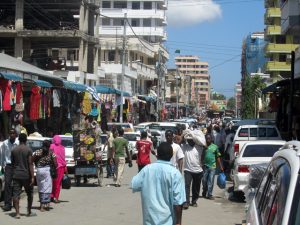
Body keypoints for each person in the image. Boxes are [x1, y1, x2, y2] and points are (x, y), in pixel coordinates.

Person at [131, 142, 186, 225]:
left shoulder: (147, 170)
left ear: (157, 154)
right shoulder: (175, 174)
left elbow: (134, 184)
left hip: (149, 221)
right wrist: (178, 222)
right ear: (171, 156)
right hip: (168, 221)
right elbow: (178, 202)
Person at [11, 133, 34, 218]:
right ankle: (29, 211)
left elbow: (12, 164)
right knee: (30, 193)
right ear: (26, 140)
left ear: (19, 139)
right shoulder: (28, 150)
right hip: (26, 175)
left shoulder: (14, 150)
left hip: (16, 175)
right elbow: (30, 164)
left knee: (16, 194)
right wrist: (32, 177)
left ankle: (17, 213)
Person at [33, 140, 57, 211]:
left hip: (39, 170)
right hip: (47, 171)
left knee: (40, 187)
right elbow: (55, 163)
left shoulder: (38, 152)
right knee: (47, 188)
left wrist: (37, 163)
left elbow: (31, 159)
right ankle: (46, 205)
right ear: (49, 146)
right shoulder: (51, 152)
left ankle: (41, 206)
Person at [181, 134, 204, 209]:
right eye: (188, 139)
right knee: (187, 186)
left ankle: (194, 201)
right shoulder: (185, 147)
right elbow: (180, 141)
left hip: (198, 170)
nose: (189, 141)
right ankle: (186, 202)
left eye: (190, 139)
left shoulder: (199, 147)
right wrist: (184, 135)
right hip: (188, 170)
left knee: (196, 187)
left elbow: (205, 146)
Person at [0, 128, 19, 211]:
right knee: (7, 184)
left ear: (15, 134)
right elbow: (2, 155)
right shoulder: (5, 143)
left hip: (16, 166)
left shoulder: (18, 143)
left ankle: (16, 203)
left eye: (13, 133)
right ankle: (7, 204)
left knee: (16, 185)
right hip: (8, 166)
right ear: (8, 134)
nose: (12, 135)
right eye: (10, 133)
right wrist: (2, 165)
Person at [202, 134, 223, 200]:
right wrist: (203, 150)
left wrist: (221, 167)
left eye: (209, 138)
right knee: (204, 180)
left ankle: (209, 194)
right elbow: (201, 157)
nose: (208, 140)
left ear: (211, 139)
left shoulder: (215, 147)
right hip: (205, 166)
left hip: (212, 167)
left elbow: (218, 157)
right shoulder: (204, 147)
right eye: (206, 139)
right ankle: (204, 191)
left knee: (210, 181)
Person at [50, 135, 67, 203]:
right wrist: (65, 168)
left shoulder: (51, 146)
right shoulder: (63, 147)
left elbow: (50, 155)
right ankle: (56, 197)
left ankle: (51, 196)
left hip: (53, 167)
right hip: (61, 167)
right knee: (58, 183)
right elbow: (63, 158)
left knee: (52, 182)